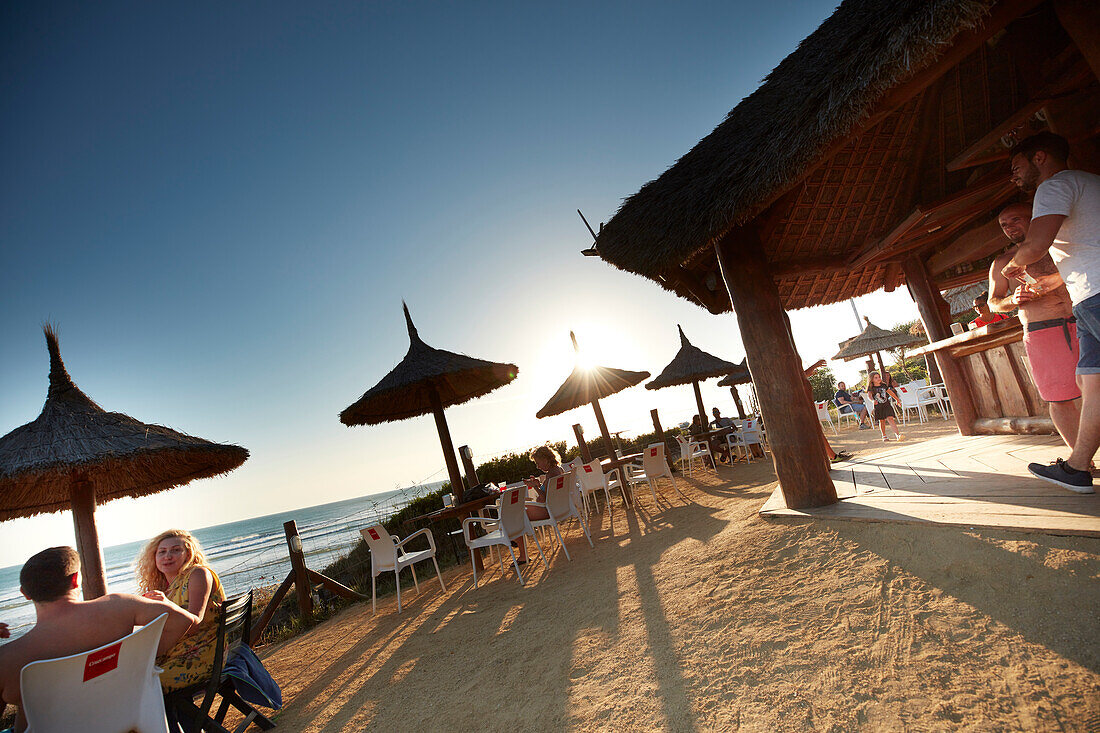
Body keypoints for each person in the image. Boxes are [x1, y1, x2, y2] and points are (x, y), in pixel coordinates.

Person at [0, 547, 196, 731]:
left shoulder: (7, 659)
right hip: (126, 722)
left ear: (25, 594)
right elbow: (184, 620)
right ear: (76, 580)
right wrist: (143, 656)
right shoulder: (120, 606)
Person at [1001, 131, 1100, 493]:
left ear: (1039, 157)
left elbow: (1037, 243)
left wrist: (1014, 264)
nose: (1015, 176)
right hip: (1087, 298)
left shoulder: (1054, 186)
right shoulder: (1090, 182)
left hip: (1097, 291)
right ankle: (1077, 468)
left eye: (1017, 167)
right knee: (1092, 384)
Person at [988, 202, 1082, 451]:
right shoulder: (1002, 262)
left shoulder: (1062, 246)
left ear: (1036, 218)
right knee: (1059, 398)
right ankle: (1083, 460)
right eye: (1003, 225)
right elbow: (994, 303)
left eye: (1016, 219)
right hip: (1042, 330)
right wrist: (1013, 299)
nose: (1009, 227)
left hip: (1082, 319)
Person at [136, 529, 226, 692]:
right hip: (176, 652)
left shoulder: (198, 574)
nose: (167, 556)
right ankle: (181, 718)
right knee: (127, 677)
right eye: (161, 552)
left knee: (140, 687)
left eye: (176, 550)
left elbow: (194, 623)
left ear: (188, 553)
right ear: (154, 558)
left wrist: (166, 606)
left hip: (202, 654)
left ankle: (183, 718)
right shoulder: (166, 589)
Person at [523, 444, 564, 521]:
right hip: (561, 507)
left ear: (545, 460)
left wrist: (534, 486)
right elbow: (551, 492)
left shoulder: (550, 474)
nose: (538, 467)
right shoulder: (559, 470)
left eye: (538, 463)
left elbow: (544, 498)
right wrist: (539, 485)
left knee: (521, 512)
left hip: (550, 511)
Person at [866, 371, 903, 442]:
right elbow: (869, 396)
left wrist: (897, 399)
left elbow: (890, 392)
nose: (878, 379)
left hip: (887, 405)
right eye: (876, 378)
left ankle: (897, 435)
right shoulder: (871, 388)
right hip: (878, 407)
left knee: (890, 419)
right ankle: (884, 435)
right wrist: (872, 401)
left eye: (879, 377)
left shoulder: (883, 385)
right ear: (872, 379)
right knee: (882, 421)